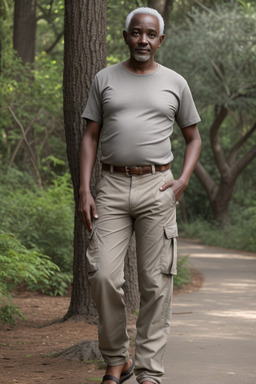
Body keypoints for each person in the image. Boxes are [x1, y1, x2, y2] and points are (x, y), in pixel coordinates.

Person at [79, 7, 202, 384]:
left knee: (156, 284)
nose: (143, 41)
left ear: (160, 40)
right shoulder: (104, 79)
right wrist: (84, 189)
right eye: (136, 33)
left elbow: (193, 138)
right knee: (102, 275)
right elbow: (90, 136)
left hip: (158, 187)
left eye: (150, 35)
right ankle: (117, 359)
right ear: (125, 35)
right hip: (111, 187)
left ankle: (149, 370)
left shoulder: (176, 83)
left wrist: (181, 180)